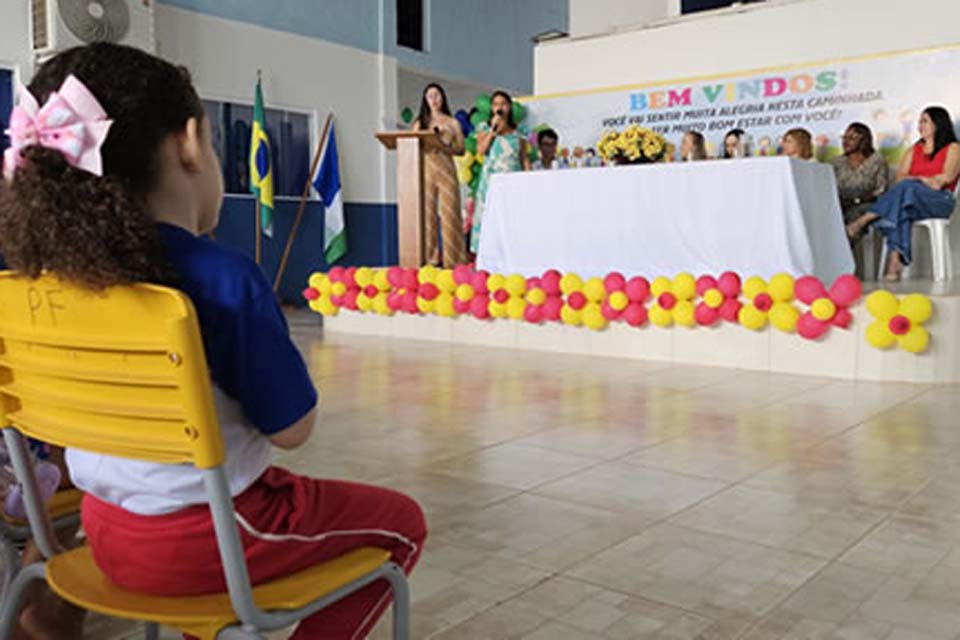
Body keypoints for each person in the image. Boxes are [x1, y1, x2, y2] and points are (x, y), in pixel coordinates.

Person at [0, 43, 426, 640]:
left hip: (98, 532)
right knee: (403, 521)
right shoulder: (223, 279)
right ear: (191, 144)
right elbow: (294, 431)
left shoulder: (40, 285)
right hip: (209, 546)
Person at [845, 106, 960, 280]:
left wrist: (918, 180)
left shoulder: (953, 148)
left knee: (906, 189)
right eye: (919, 121)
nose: (920, 125)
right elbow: (900, 178)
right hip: (911, 199)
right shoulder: (914, 150)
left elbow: (946, 178)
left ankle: (865, 219)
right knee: (901, 207)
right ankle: (894, 263)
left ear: (938, 123)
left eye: (925, 121)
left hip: (940, 200)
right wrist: (926, 180)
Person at [411, 83, 466, 267]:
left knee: (450, 216)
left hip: (447, 172)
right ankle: (430, 260)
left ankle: (454, 261)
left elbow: (461, 150)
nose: (434, 99)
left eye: (437, 95)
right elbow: (411, 146)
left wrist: (445, 145)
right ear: (425, 100)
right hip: (426, 172)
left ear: (443, 98)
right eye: (430, 96)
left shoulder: (452, 122)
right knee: (427, 218)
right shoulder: (420, 123)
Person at [470, 90, 530, 254]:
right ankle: (486, 255)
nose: (500, 107)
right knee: (489, 216)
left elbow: (524, 157)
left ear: (509, 107)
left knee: (511, 217)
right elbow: (481, 150)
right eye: (496, 104)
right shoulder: (485, 127)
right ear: (491, 108)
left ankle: (512, 253)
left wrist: (529, 179)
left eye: (503, 104)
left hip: (513, 180)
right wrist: (493, 131)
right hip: (491, 181)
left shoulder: (519, 131)